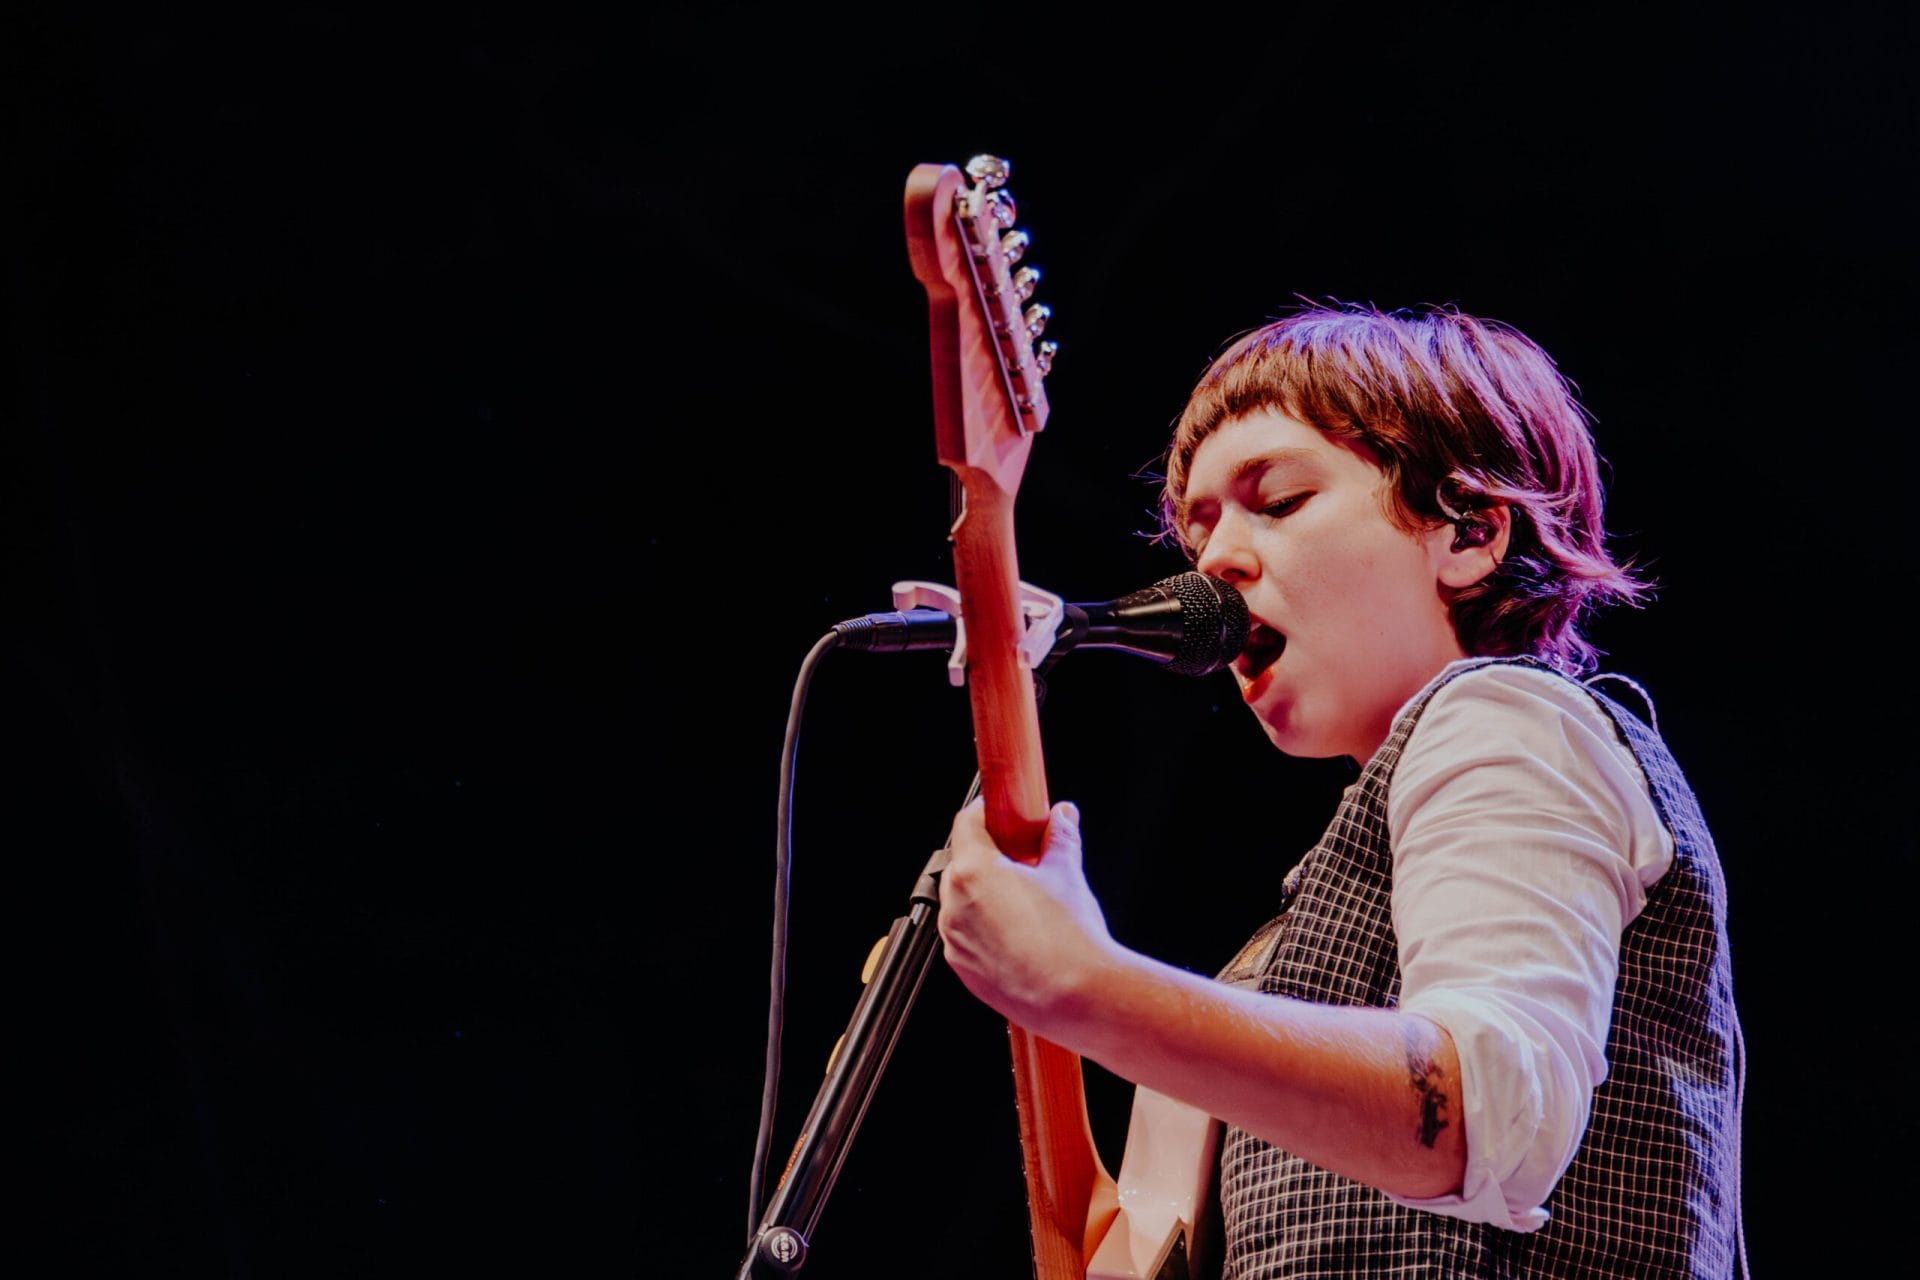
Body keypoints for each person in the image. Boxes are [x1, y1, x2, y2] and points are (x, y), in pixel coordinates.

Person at [936, 301, 1745, 1277]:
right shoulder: (1266, 968)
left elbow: (1483, 1113)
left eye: (1277, 500)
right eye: (1197, 531)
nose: (1218, 560)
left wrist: (1084, 982)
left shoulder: (1512, 718)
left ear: (1469, 531)